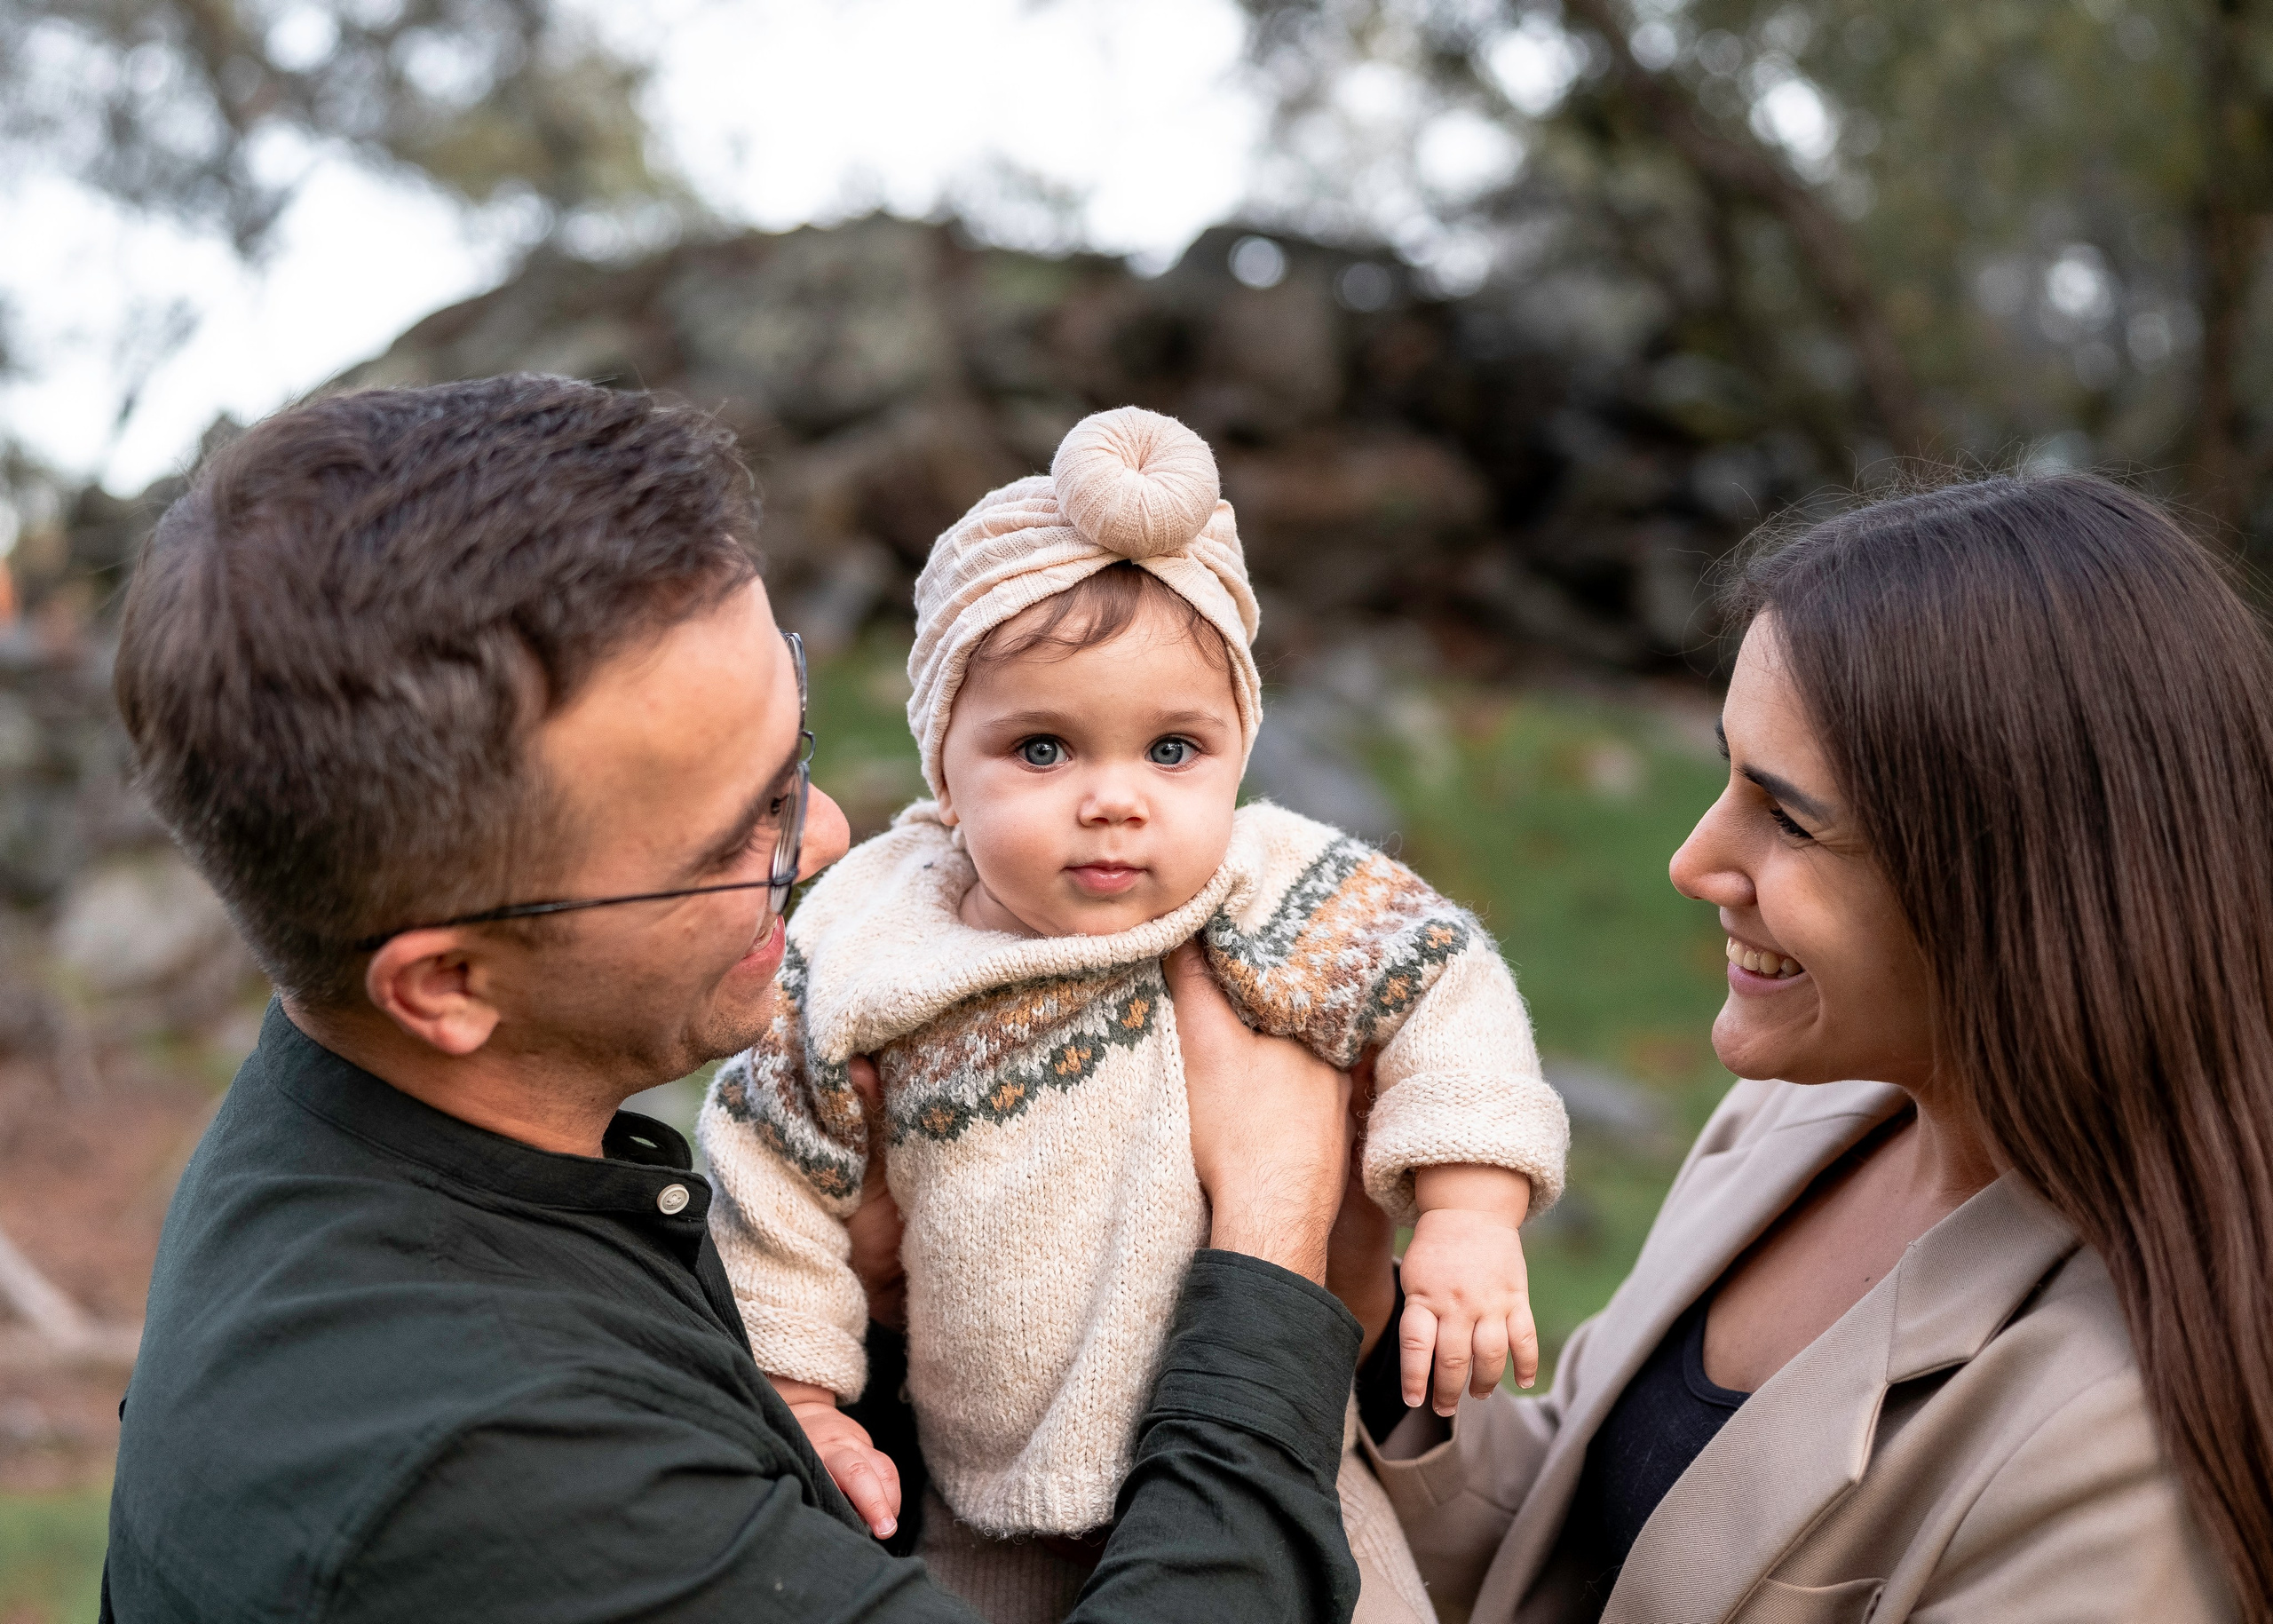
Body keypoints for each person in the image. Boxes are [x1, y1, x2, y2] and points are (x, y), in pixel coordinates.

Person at [99, 375, 1376, 1623]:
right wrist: (1268, 1233)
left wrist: (876, 1324)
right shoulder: (505, 1478)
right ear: (449, 984)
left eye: (794, 753)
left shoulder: (376, 1118)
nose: (822, 836)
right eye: (732, 836)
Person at [1321, 471, 2265, 1622]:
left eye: (1790, 817)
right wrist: (1363, 1316)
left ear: (2018, 888)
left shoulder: (2116, 1453)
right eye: (1725, 771)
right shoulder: (1794, 1115)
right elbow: (1570, 1541)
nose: (1692, 860)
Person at [698, 407, 1570, 1623]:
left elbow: (1443, 983)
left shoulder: (1268, 888)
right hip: (974, 1498)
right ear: (944, 766)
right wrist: (798, 1388)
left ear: (1238, 752)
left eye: (1173, 748)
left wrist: (1471, 1209)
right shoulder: (871, 938)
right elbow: (770, 1158)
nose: (1115, 801)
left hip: (1282, 1466)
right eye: (1043, 748)